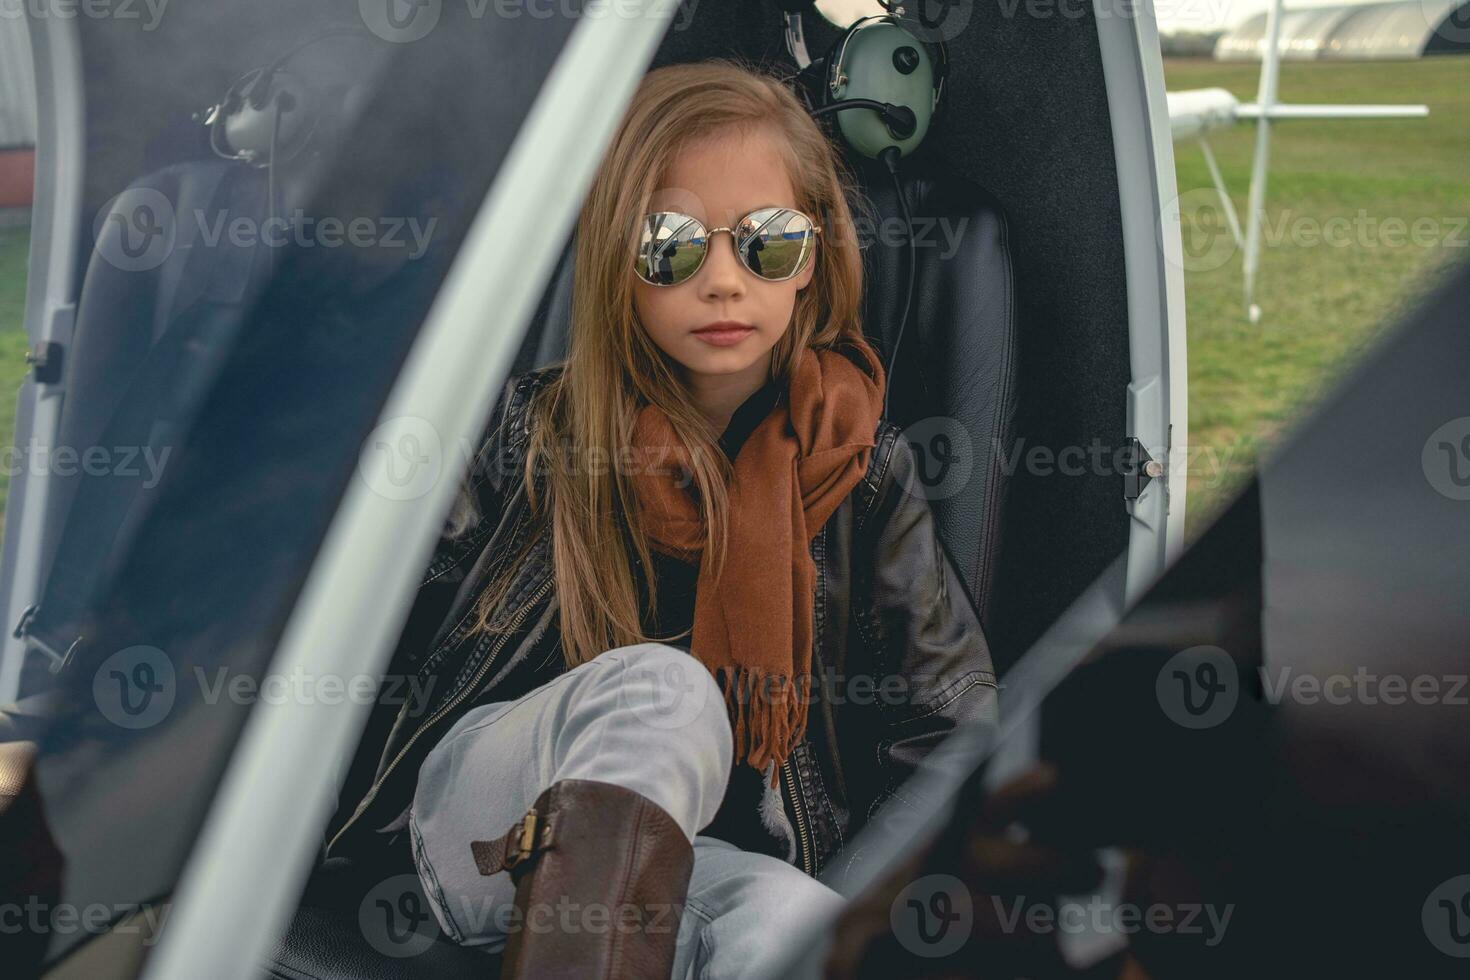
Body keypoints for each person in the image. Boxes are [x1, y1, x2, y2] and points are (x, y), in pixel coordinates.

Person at [327, 58, 998, 980]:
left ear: (812, 261)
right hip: (482, 830)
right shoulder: (536, 429)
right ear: (617, 263)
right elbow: (378, 629)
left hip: (686, 870)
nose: (724, 281)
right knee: (662, 694)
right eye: (673, 245)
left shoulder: (866, 469)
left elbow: (949, 735)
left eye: (766, 242)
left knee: (797, 925)